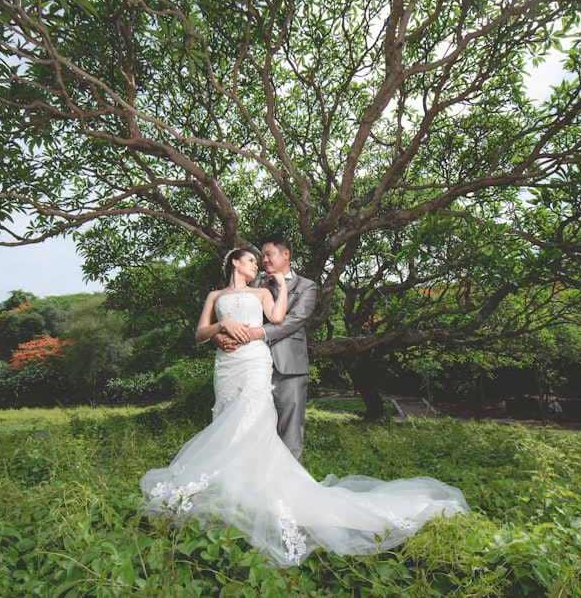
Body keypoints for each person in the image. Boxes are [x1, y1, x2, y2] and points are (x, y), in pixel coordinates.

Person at [139, 248, 468, 568]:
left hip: (254, 362)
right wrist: (221, 329)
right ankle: (233, 488)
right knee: (226, 418)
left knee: (251, 419)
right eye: (252, 259)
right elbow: (200, 333)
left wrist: (280, 288)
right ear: (235, 263)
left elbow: (279, 319)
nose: (258, 264)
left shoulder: (266, 292)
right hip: (225, 366)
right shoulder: (218, 294)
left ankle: (259, 492)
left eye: (261, 259)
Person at [213, 235, 316, 462]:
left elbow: (295, 320)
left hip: (289, 366)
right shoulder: (256, 284)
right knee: (250, 425)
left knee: (290, 430)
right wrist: (219, 336)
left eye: (269, 254)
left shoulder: (306, 286)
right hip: (250, 365)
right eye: (262, 256)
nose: (264, 260)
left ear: (286, 254)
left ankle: (291, 486)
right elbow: (231, 309)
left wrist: (257, 333)